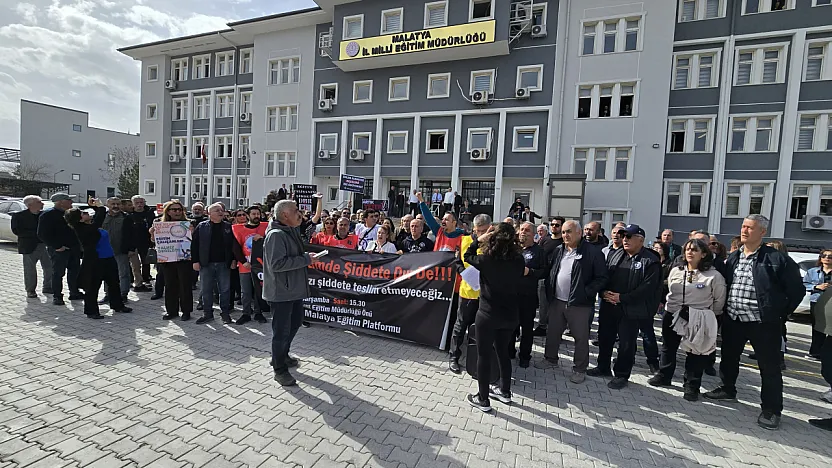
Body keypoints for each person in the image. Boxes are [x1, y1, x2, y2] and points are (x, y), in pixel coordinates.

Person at [704, 215, 804, 430]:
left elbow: (797, 290)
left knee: (769, 368)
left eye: (750, 228)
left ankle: (771, 409)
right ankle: (727, 389)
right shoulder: (734, 257)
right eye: (743, 226)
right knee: (729, 358)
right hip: (734, 319)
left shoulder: (776, 259)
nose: (744, 231)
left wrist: (779, 313)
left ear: (762, 232)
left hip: (763, 323)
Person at [649, 239, 727, 401]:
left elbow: (719, 300)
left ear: (703, 254)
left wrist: (708, 315)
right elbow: (670, 289)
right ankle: (664, 375)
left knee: (695, 351)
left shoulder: (714, 276)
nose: (690, 252)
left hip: (698, 316)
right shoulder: (676, 271)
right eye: (688, 249)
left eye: (694, 250)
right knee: (668, 347)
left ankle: (692, 385)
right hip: (673, 313)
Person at [463, 222, 526, 412]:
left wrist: (478, 239)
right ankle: (505, 391)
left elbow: (467, 255)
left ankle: (483, 398)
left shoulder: (486, 259)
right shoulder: (519, 260)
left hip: (488, 315)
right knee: (503, 352)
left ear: (493, 238)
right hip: (510, 315)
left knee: (484, 355)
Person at [589, 224, 661, 389]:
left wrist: (622, 298)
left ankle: (622, 374)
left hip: (631, 309)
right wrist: (603, 292)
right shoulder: (616, 254)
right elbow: (604, 275)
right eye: (623, 236)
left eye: (629, 236)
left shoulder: (650, 261)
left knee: (626, 344)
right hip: (609, 305)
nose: (625, 239)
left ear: (640, 240)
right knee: (605, 338)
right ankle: (603, 367)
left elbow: (647, 288)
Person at [264, 200, 320, 386]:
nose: (300, 213)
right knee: (281, 331)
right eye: (296, 211)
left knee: (295, 322)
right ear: (285, 215)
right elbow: (277, 264)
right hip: (281, 291)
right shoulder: (276, 235)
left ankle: (281, 355)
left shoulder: (291, 229)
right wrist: (305, 259)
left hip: (294, 289)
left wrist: (305, 258)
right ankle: (279, 369)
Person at [544, 220, 608, 383]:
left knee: (580, 337)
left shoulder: (593, 252)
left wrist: (585, 293)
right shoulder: (559, 250)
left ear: (579, 233)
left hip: (579, 303)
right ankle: (550, 359)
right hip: (557, 300)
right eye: (563, 232)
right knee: (553, 332)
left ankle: (579, 369)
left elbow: (601, 278)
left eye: (569, 232)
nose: (565, 235)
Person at [65, 202, 133, 318]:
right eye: (83, 213)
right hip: (95, 261)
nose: (87, 213)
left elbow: (97, 219)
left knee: (114, 283)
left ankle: (117, 305)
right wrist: (100, 207)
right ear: (79, 218)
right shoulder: (81, 228)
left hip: (108, 258)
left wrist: (94, 206)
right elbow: (99, 219)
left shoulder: (89, 225)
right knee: (92, 286)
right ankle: (91, 311)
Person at [448, 214, 491, 374]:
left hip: (486, 294)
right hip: (467, 291)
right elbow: (457, 260)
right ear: (473, 228)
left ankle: (479, 359)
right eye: (478, 230)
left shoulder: (493, 243)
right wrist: (463, 272)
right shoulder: (464, 240)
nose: (481, 234)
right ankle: (454, 356)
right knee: (460, 326)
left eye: (484, 231)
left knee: (482, 329)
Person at [508, 222, 548, 367]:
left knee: (526, 328)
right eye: (522, 229)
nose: (523, 232)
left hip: (528, 297)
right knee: (511, 326)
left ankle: (525, 356)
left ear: (533, 234)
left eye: (527, 230)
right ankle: (509, 351)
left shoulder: (539, 251)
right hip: (512, 295)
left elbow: (545, 271)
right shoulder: (513, 249)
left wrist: (530, 272)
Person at [191, 203, 236, 325]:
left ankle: (225, 313)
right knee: (206, 289)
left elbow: (233, 245)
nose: (220, 212)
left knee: (225, 290)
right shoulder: (202, 226)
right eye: (217, 210)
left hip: (224, 264)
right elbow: (194, 245)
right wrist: (195, 261)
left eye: (221, 210)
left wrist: (233, 259)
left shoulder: (228, 226)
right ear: (209, 213)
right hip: (206, 264)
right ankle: (207, 313)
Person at [37, 193, 84, 305]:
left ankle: (74, 292)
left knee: (74, 271)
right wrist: (57, 246)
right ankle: (57, 296)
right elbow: (42, 234)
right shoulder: (48, 215)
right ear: (60, 202)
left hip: (73, 248)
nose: (71, 202)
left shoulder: (72, 214)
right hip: (59, 250)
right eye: (68, 200)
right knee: (58, 273)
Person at [152, 201, 194, 321]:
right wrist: (152, 234)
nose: (177, 212)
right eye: (174, 210)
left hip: (184, 259)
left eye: (179, 210)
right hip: (167, 259)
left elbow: (194, 241)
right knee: (170, 285)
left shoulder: (189, 223)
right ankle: (171, 311)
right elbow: (154, 241)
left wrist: (192, 232)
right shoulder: (159, 223)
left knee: (185, 286)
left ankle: (186, 311)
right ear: (168, 212)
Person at [232, 206, 269, 325]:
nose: (256, 216)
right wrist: (243, 261)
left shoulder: (266, 227)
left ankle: (258, 312)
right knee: (246, 291)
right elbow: (236, 248)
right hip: (245, 265)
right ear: (248, 215)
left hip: (260, 265)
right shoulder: (238, 229)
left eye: (258, 213)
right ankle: (246, 313)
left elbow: (272, 240)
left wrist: (263, 238)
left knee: (259, 290)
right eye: (253, 214)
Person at [12, 195, 53, 298]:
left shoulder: (45, 215)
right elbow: (17, 231)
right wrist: (37, 233)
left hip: (45, 245)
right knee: (30, 270)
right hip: (29, 246)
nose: (42, 204)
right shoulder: (19, 216)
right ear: (30, 205)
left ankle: (48, 287)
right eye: (39, 202)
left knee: (49, 267)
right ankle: (30, 290)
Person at [534, 217, 565, 337]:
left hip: (559, 276)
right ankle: (542, 326)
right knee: (543, 303)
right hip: (544, 276)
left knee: (557, 305)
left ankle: (556, 329)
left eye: (557, 225)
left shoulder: (564, 241)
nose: (554, 227)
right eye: (552, 225)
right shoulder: (545, 240)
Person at [101, 197, 136, 303]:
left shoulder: (127, 217)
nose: (115, 206)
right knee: (107, 274)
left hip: (121, 250)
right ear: (108, 205)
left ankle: (123, 294)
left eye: (118, 204)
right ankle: (108, 294)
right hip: (105, 251)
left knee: (123, 273)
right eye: (113, 204)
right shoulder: (102, 216)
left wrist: (131, 249)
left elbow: (132, 234)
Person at [804, 249, 832, 359]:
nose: (827, 258)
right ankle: (815, 352)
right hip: (817, 301)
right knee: (818, 327)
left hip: (830, 303)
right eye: (824, 256)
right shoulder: (812, 271)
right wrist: (816, 287)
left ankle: (827, 353)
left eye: (830, 256)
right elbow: (804, 284)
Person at [128, 195, 155, 290]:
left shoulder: (149, 213)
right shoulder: (129, 215)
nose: (139, 205)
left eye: (141, 202)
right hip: (133, 242)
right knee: (135, 264)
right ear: (133, 204)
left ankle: (146, 279)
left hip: (146, 242)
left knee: (146, 262)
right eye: (137, 203)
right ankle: (136, 281)